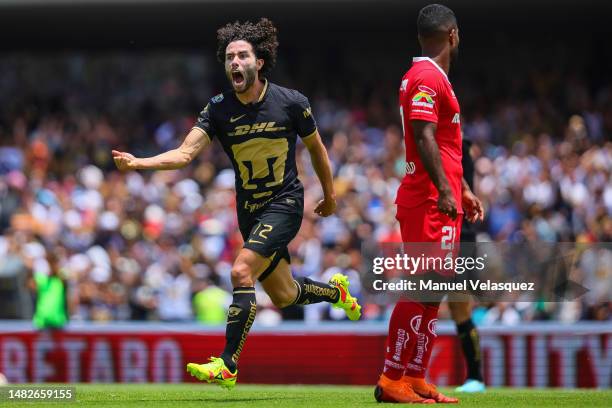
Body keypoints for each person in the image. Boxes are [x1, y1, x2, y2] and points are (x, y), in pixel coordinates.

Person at [112, 18, 361, 389]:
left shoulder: (291, 103)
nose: (234, 62)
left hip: (285, 203)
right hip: (249, 211)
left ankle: (228, 364)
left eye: (242, 55)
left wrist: (330, 194)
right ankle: (336, 292)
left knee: (240, 272)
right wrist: (138, 162)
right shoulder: (218, 109)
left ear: (259, 62)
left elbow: (317, 149)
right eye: (229, 57)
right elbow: (184, 154)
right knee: (283, 293)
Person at [375, 4, 483, 403]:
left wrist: (462, 187)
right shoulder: (425, 76)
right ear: (452, 35)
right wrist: (444, 189)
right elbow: (423, 137)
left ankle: (416, 376)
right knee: (423, 285)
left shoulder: (432, 77)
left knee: (435, 289)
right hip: (426, 199)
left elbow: (445, 144)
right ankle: (390, 380)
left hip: (438, 195)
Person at [448, 139, 485, 393]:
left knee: (459, 307)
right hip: (459, 234)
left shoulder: (452, 149)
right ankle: (475, 378)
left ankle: (475, 378)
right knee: (456, 307)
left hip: (458, 235)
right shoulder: (460, 148)